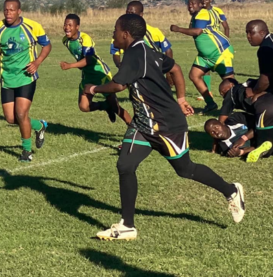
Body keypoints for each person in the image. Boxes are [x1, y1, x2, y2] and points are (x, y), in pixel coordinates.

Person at [88, 14, 245, 241]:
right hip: (143, 124)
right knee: (125, 165)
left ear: (125, 34)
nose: (112, 34)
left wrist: (93, 89)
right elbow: (176, 68)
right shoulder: (148, 51)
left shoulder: (134, 54)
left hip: (166, 125)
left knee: (185, 170)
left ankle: (231, 190)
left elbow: (118, 85)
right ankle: (127, 225)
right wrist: (181, 98)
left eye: (115, 30)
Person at [0, 0, 50, 162]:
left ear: (19, 11)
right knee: (10, 118)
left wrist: (37, 62)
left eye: (12, 10)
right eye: (6, 10)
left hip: (26, 77)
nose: (8, 13)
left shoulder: (31, 26)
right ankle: (39, 125)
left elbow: (47, 45)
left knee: (21, 114)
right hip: (7, 78)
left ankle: (26, 151)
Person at [61, 14, 132, 125]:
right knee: (84, 106)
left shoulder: (85, 38)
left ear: (77, 27)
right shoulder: (65, 41)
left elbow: (88, 60)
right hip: (87, 76)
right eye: (65, 24)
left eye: (70, 25)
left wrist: (70, 65)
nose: (67, 28)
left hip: (100, 73)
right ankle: (105, 106)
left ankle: (136, 130)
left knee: (116, 107)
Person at [171, 0, 236, 114]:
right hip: (205, 56)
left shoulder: (203, 13)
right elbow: (193, 30)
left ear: (200, 4)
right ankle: (210, 103)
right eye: (189, 3)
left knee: (230, 83)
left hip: (220, 52)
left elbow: (197, 31)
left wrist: (178, 29)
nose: (190, 5)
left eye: (194, 3)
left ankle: (242, 104)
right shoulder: (195, 16)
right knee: (194, 75)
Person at [244, 20, 273, 159]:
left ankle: (263, 141)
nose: (248, 36)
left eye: (251, 32)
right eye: (246, 32)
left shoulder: (265, 48)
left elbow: (265, 79)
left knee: (264, 106)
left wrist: (255, 93)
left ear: (262, 32)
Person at [110, 1, 174, 72]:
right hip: (133, 71)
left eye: (132, 13)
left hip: (153, 71)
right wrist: (119, 65)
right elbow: (115, 52)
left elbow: (168, 50)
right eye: (127, 12)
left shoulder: (154, 31)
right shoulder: (120, 34)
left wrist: (168, 71)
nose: (129, 15)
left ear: (141, 14)